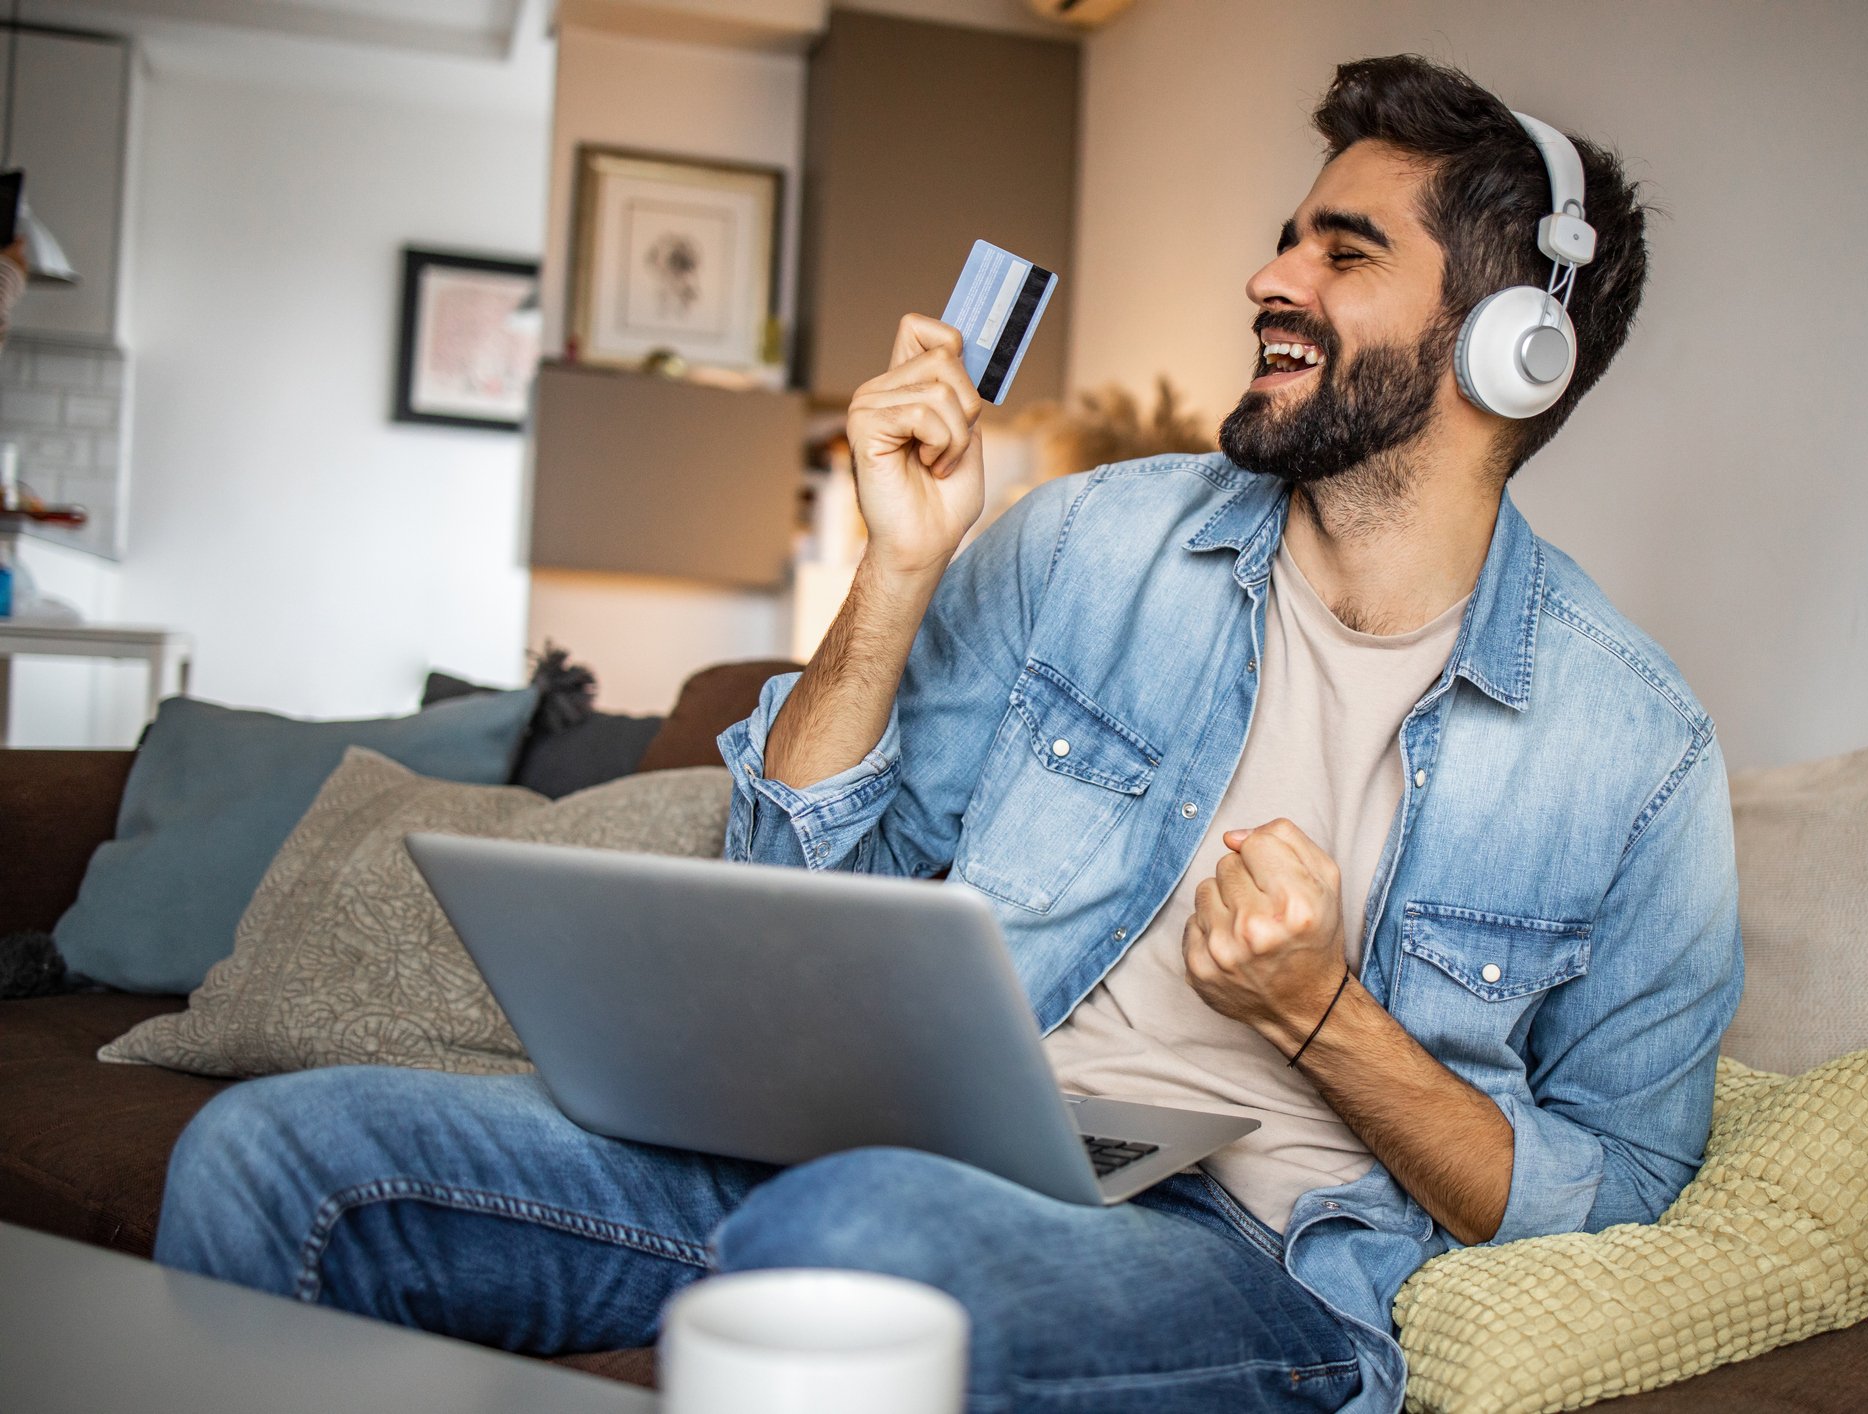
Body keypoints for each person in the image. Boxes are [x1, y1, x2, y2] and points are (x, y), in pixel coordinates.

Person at [156, 55, 1741, 1414]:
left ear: (1511, 345)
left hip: (1246, 1258)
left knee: (856, 1246)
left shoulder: (1634, 752)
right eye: (1282, 241)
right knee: (274, 1153)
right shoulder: (1086, 545)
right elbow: (796, 886)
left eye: (1342, 252)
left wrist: (1317, 1011)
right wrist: (895, 573)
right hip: (901, 1135)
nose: (1269, 279)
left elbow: (1616, 1207)